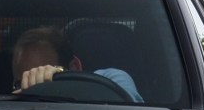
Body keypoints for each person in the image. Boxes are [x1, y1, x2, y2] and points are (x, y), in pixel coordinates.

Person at [11, 27, 143, 102]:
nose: (31, 89)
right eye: (23, 82)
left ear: (75, 67)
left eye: (44, 73)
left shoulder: (112, 78)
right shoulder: (9, 109)